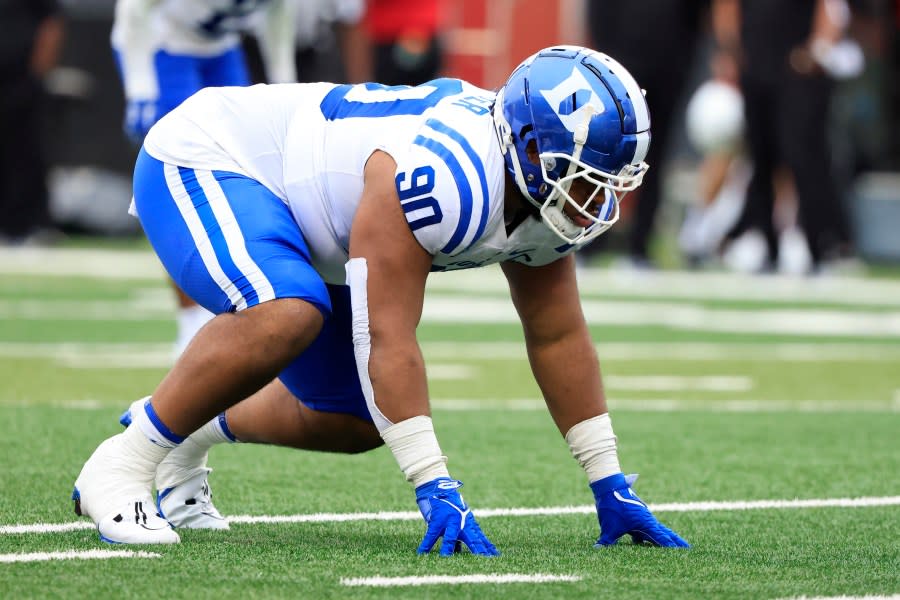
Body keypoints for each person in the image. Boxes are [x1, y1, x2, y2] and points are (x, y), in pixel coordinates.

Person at [72, 45, 689, 553]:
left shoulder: (538, 196)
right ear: (528, 147)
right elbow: (386, 338)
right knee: (286, 310)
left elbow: (556, 335)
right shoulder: (441, 174)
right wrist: (435, 484)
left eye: (609, 182)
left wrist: (608, 480)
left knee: (356, 417)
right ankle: (122, 464)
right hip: (214, 156)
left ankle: (186, 426)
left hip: (312, 218)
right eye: (583, 177)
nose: (596, 202)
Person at [111, 0, 300, 355]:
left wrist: (284, 85)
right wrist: (141, 87)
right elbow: (133, 9)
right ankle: (190, 321)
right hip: (160, 47)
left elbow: (279, 16)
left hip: (221, 49)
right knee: (181, 185)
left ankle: (236, 302)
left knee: (243, 168)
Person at [714, 0, 858, 272]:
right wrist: (730, 51)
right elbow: (727, 8)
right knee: (760, 156)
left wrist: (817, 49)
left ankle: (819, 246)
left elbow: (832, 8)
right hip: (755, 64)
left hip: (796, 66)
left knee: (801, 155)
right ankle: (767, 246)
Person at [586, 0, 708, 269]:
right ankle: (588, 241)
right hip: (622, 64)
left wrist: (686, 56)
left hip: (671, 65)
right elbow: (599, 11)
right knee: (605, 152)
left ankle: (640, 247)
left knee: (655, 156)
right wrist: (607, 58)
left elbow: (699, 12)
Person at [0, 0, 64, 244]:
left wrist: (38, 73)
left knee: (24, 152)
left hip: (20, 78)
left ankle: (28, 226)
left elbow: (52, 22)